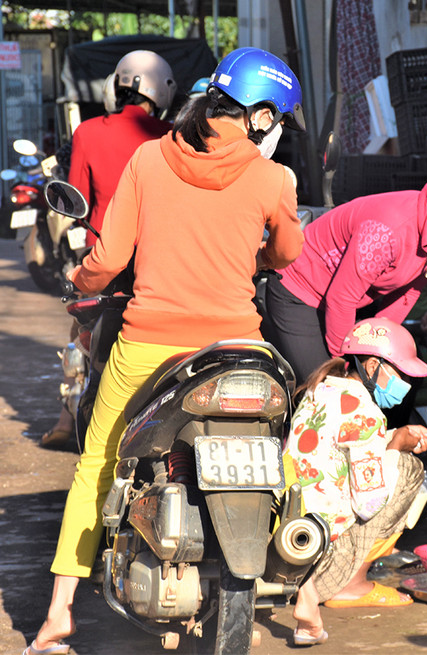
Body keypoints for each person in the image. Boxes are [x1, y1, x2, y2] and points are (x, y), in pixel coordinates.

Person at [25, 46, 306, 655]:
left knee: (99, 462)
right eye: (278, 119)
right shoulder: (270, 178)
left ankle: (58, 616)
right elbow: (287, 254)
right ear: (261, 117)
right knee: (277, 458)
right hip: (237, 348)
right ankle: (305, 600)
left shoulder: (149, 160)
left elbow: (107, 260)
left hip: (150, 344)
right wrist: (251, 257)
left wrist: (81, 280)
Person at [263, 157, 427, 383]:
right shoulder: (387, 232)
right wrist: (348, 364)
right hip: (299, 291)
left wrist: (378, 346)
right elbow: (342, 298)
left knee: (390, 376)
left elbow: (408, 293)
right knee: (327, 386)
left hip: (344, 299)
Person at [40, 50, 175, 449]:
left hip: (103, 258)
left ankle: (67, 418)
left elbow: (75, 195)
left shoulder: (87, 133)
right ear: (163, 92)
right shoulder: (171, 137)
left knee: (79, 331)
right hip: (157, 262)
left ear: (116, 89)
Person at [285, 317, 427, 646]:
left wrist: (390, 437)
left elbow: (339, 449)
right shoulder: (366, 411)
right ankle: (343, 585)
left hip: (291, 536)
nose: (404, 383)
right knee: (410, 469)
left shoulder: (320, 389)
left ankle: (310, 590)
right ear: (372, 365)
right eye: (400, 374)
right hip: (327, 552)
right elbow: (369, 503)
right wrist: (397, 446)